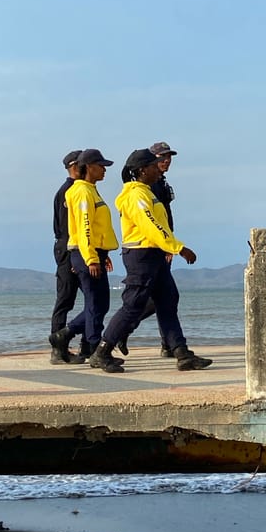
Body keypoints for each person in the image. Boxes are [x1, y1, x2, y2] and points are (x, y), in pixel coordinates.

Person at [89, 149, 212, 374]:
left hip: (154, 254)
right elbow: (151, 226)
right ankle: (102, 351)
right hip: (141, 256)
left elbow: (160, 225)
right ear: (142, 170)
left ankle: (181, 352)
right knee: (133, 305)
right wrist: (178, 248)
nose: (159, 169)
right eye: (154, 166)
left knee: (168, 300)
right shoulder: (136, 196)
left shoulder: (146, 192)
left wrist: (168, 246)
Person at [48, 149, 124, 373]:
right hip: (80, 253)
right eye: (101, 165)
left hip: (90, 252)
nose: (104, 170)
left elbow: (95, 228)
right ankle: (89, 348)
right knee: (82, 302)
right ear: (87, 166)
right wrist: (89, 258)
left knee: (98, 304)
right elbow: (83, 228)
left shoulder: (90, 190)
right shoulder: (78, 191)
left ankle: (68, 337)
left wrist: (103, 254)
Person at [116, 140, 178, 358]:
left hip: (161, 245)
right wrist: (169, 246)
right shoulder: (145, 185)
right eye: (162, 158)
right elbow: (149, 221)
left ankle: (172, 346)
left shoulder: (161, 182)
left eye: (169, 157)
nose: (166, 160)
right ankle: (119, 333)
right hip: (149, 248)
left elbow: (165, 217)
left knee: (167, 297)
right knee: (146, 300)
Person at [49, 150, 86, 365]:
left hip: (72, 248)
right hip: (68, 249)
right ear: (75, 166)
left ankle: (87, 343)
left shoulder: (76, 189)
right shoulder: (68, 192)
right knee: (65, 299)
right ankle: (58, 349)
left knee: (93, 299)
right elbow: (67, 227)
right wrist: (73, 257)